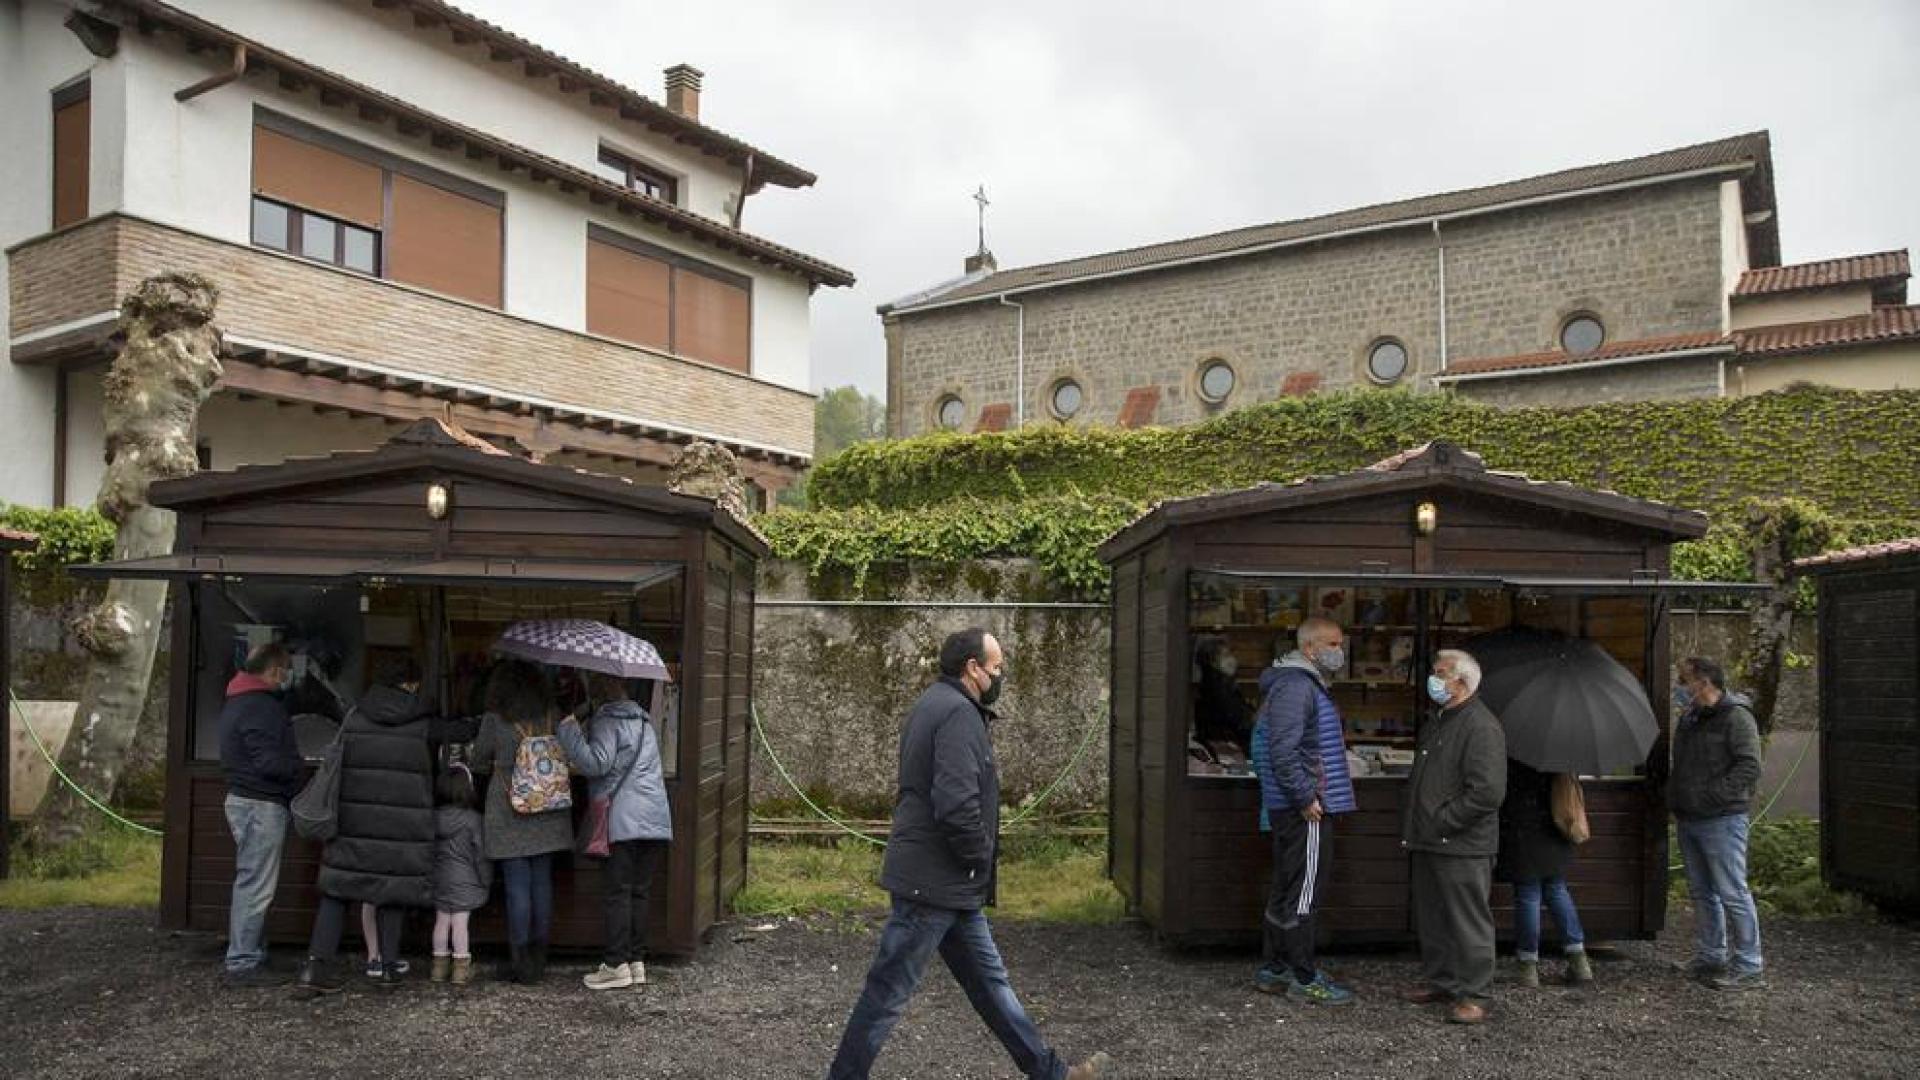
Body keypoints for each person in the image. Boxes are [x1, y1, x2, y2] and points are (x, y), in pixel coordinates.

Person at [826, 629, 1109, 1080]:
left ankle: (1051, 1073)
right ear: (972, 669)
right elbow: (956, 803)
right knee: (887, 995)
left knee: (992, 988)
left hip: (948, 885)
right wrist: (979, 856)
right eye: (995, 667)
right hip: (935, 884)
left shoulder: (934, 704)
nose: (1000, 675)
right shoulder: (958, 714)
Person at [294, 654, 440, 997]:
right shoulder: (421, 722)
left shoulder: (353, 717)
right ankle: (388, 969)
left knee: (336, 892)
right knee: (391, 893)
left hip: (352, 821)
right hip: (401, 826)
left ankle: (316, 967)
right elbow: (459, 733)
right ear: (410, 684)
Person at [1249, 616, 1357, 1005]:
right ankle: (1304, 976)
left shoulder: (1294, 683)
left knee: (1286, 888)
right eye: (1332, 644)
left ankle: (1275, 968)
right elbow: (1283, 751)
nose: (1339, 652)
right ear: (1310, 648)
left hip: (1291, 805)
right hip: (1306, 809)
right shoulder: (1298, 686)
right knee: (1304, 892)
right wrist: (1305, 797)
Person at [1401, 649, 1506, 1025]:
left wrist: (1444, 821)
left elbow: (1488, 792)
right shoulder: (1441, 720)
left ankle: (1475, 994)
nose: (1434, 678)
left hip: (1462, 843)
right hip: (1431, 839)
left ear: (1461, 681)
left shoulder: (1480, 726)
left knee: (1468, 920)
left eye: (1441, 673)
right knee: (1434, 918)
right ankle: (1442, 980)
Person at [557, 671, 673, 990]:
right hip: (655, 818)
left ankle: (615, 964)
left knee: (617, 893)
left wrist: (569, 732)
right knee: (639, 892)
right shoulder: (644, 721)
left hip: (623, 819)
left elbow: (596, 764)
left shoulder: (607, 720)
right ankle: (636, 962)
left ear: (597, 695)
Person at [470, 659, 574, 984]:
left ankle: (520, 962)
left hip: (508, 810)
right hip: (549, 810)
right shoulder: (551, 714)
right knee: (541, 883)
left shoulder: (494, 719)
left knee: (517, 887)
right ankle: (539, 959)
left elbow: (478, 760)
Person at [1670, 656, 1766, 991]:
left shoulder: (1736, 717)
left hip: (1723, 818)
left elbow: (1749, 766)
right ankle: (1712, 954)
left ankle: (1749, 964)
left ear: (1704, 682)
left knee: (1732, 891)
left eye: (1685, 681)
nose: (1680, 688)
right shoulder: (1691, 718)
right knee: (1702, 892)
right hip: (1691, 817)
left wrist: (1712, 795)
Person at [217, 642, 301, 987]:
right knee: (256, 885)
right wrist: (297, 768)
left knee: (251, 881)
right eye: (285, 671)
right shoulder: (262, 707)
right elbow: (269, 763)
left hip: (241, 798)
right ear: (273, 671)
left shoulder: (236, 701)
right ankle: (243, 961)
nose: (286, 679)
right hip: (261, 804)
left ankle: (249, 952)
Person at [1496, 758, 1591, 988]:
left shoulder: (1515, 754)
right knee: (1557, 890)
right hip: (1556, 831)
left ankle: (1527, 967)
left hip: (1523, 831)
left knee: (1528, 894)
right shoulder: (1558, 751)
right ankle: (1579, 962)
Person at [430, 763, 489, 986]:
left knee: (441, 921)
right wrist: (485, 881)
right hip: (466, 881)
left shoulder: (432, 818)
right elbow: (481, 856)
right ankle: (461, 969)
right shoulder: (474, 819)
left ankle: (438, 967)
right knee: (460, 923)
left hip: (439, 879)